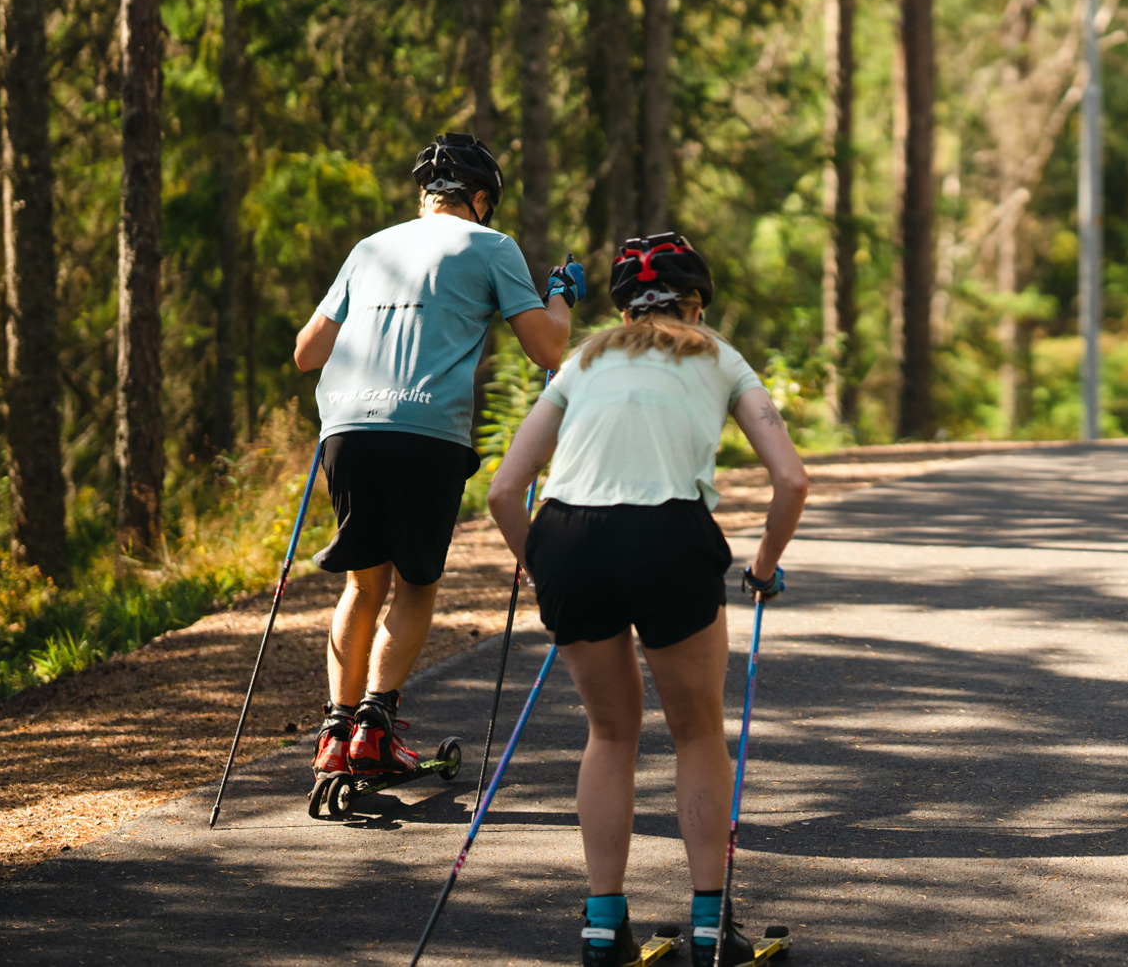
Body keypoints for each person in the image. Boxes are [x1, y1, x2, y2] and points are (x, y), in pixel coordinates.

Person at [486, 233, 809, 967]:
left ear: (625, 308)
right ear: (695, 304)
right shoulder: (717, 356)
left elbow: (505, 491)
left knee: (611, 734)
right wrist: (762, 568)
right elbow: (790, 479)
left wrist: (545, 573)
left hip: (569, 538)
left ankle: (603, 930)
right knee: (695, 732)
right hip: (668, 532)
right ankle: (707, 929)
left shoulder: (584, 359)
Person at [292, 133, 578, 778]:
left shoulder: (369, 249)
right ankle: (376, 724)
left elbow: (308, 353)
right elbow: (549, 351)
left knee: (364, 581)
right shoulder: (491, 246)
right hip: (427, 431)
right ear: (479, 199)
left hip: (349, 428)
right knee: (417, 583)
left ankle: (335, 733)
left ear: (424, 197)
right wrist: (560, 293)